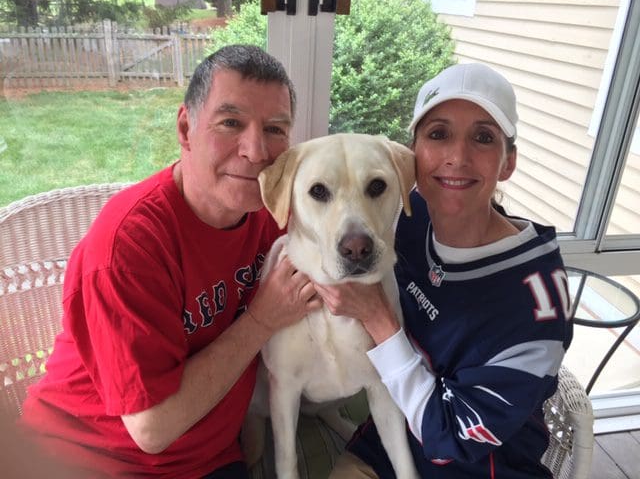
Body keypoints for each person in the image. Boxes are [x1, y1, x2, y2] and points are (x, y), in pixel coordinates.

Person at [19, 44, 322, 478]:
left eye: (275, 129)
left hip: (208, 460)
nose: (256, 151)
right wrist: (262, 320)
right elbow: (151, 428)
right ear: (185, 128)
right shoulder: (129, 246)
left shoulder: (276, 214)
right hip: (83, 459)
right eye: (231, 123)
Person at [317, 63, 573, 478]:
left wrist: (378, 319)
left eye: (483, 138)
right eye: (438, 134)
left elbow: (453, 438)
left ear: (508, 163)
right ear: (412, 155)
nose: (457, 156)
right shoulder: (408, 216)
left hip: (476, 465)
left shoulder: (536, 302)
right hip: (392, 441)